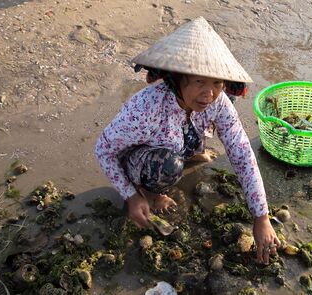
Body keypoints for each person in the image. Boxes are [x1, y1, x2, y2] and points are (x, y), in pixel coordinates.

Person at [94, 16, 280, 264]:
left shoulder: (218, 101)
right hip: (139, 156)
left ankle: (188, 152)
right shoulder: (146, 108)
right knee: (168, 166)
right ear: (177, 79)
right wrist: (131, 195)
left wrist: (261, 218)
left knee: (203, 122)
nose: (209, 93)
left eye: (217, 83)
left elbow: (242, 152)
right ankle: (150, 192)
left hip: (179, 138)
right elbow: (103, 150)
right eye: (199, 81)